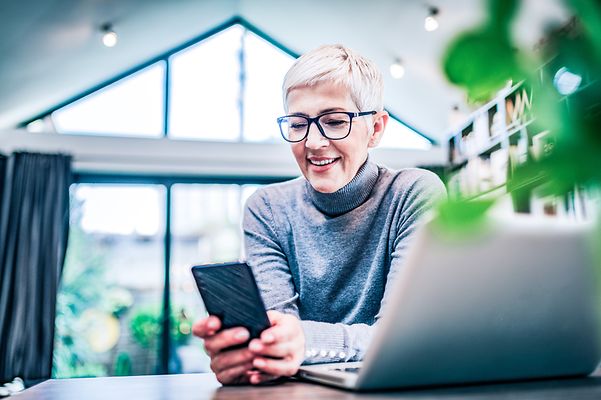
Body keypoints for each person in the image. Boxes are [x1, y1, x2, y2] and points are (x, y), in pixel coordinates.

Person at [192, 44, 446, 385]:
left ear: (376, 129)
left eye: (334, 121)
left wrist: (304, 342)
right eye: (298, 124)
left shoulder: (412, 194)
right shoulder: (267, 209)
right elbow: (277, 337)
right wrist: (252, 353)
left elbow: (402, 337)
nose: (313, 142)